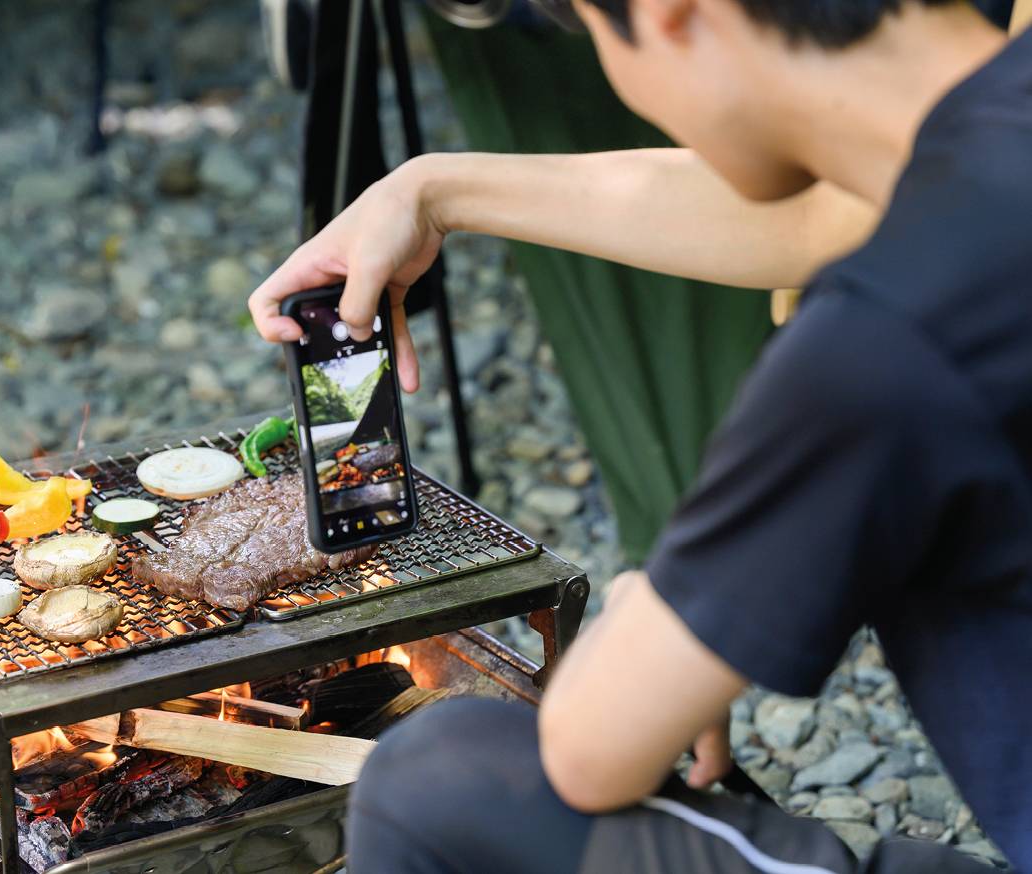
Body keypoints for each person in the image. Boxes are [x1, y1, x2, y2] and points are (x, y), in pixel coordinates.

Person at [250, 0, 1032, 870]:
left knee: (436, 779)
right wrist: (430, 190)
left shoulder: (884, 334)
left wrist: (649, 618)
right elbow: (825, 219)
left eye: (589, 30)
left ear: (669, 14)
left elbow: (591, 751)